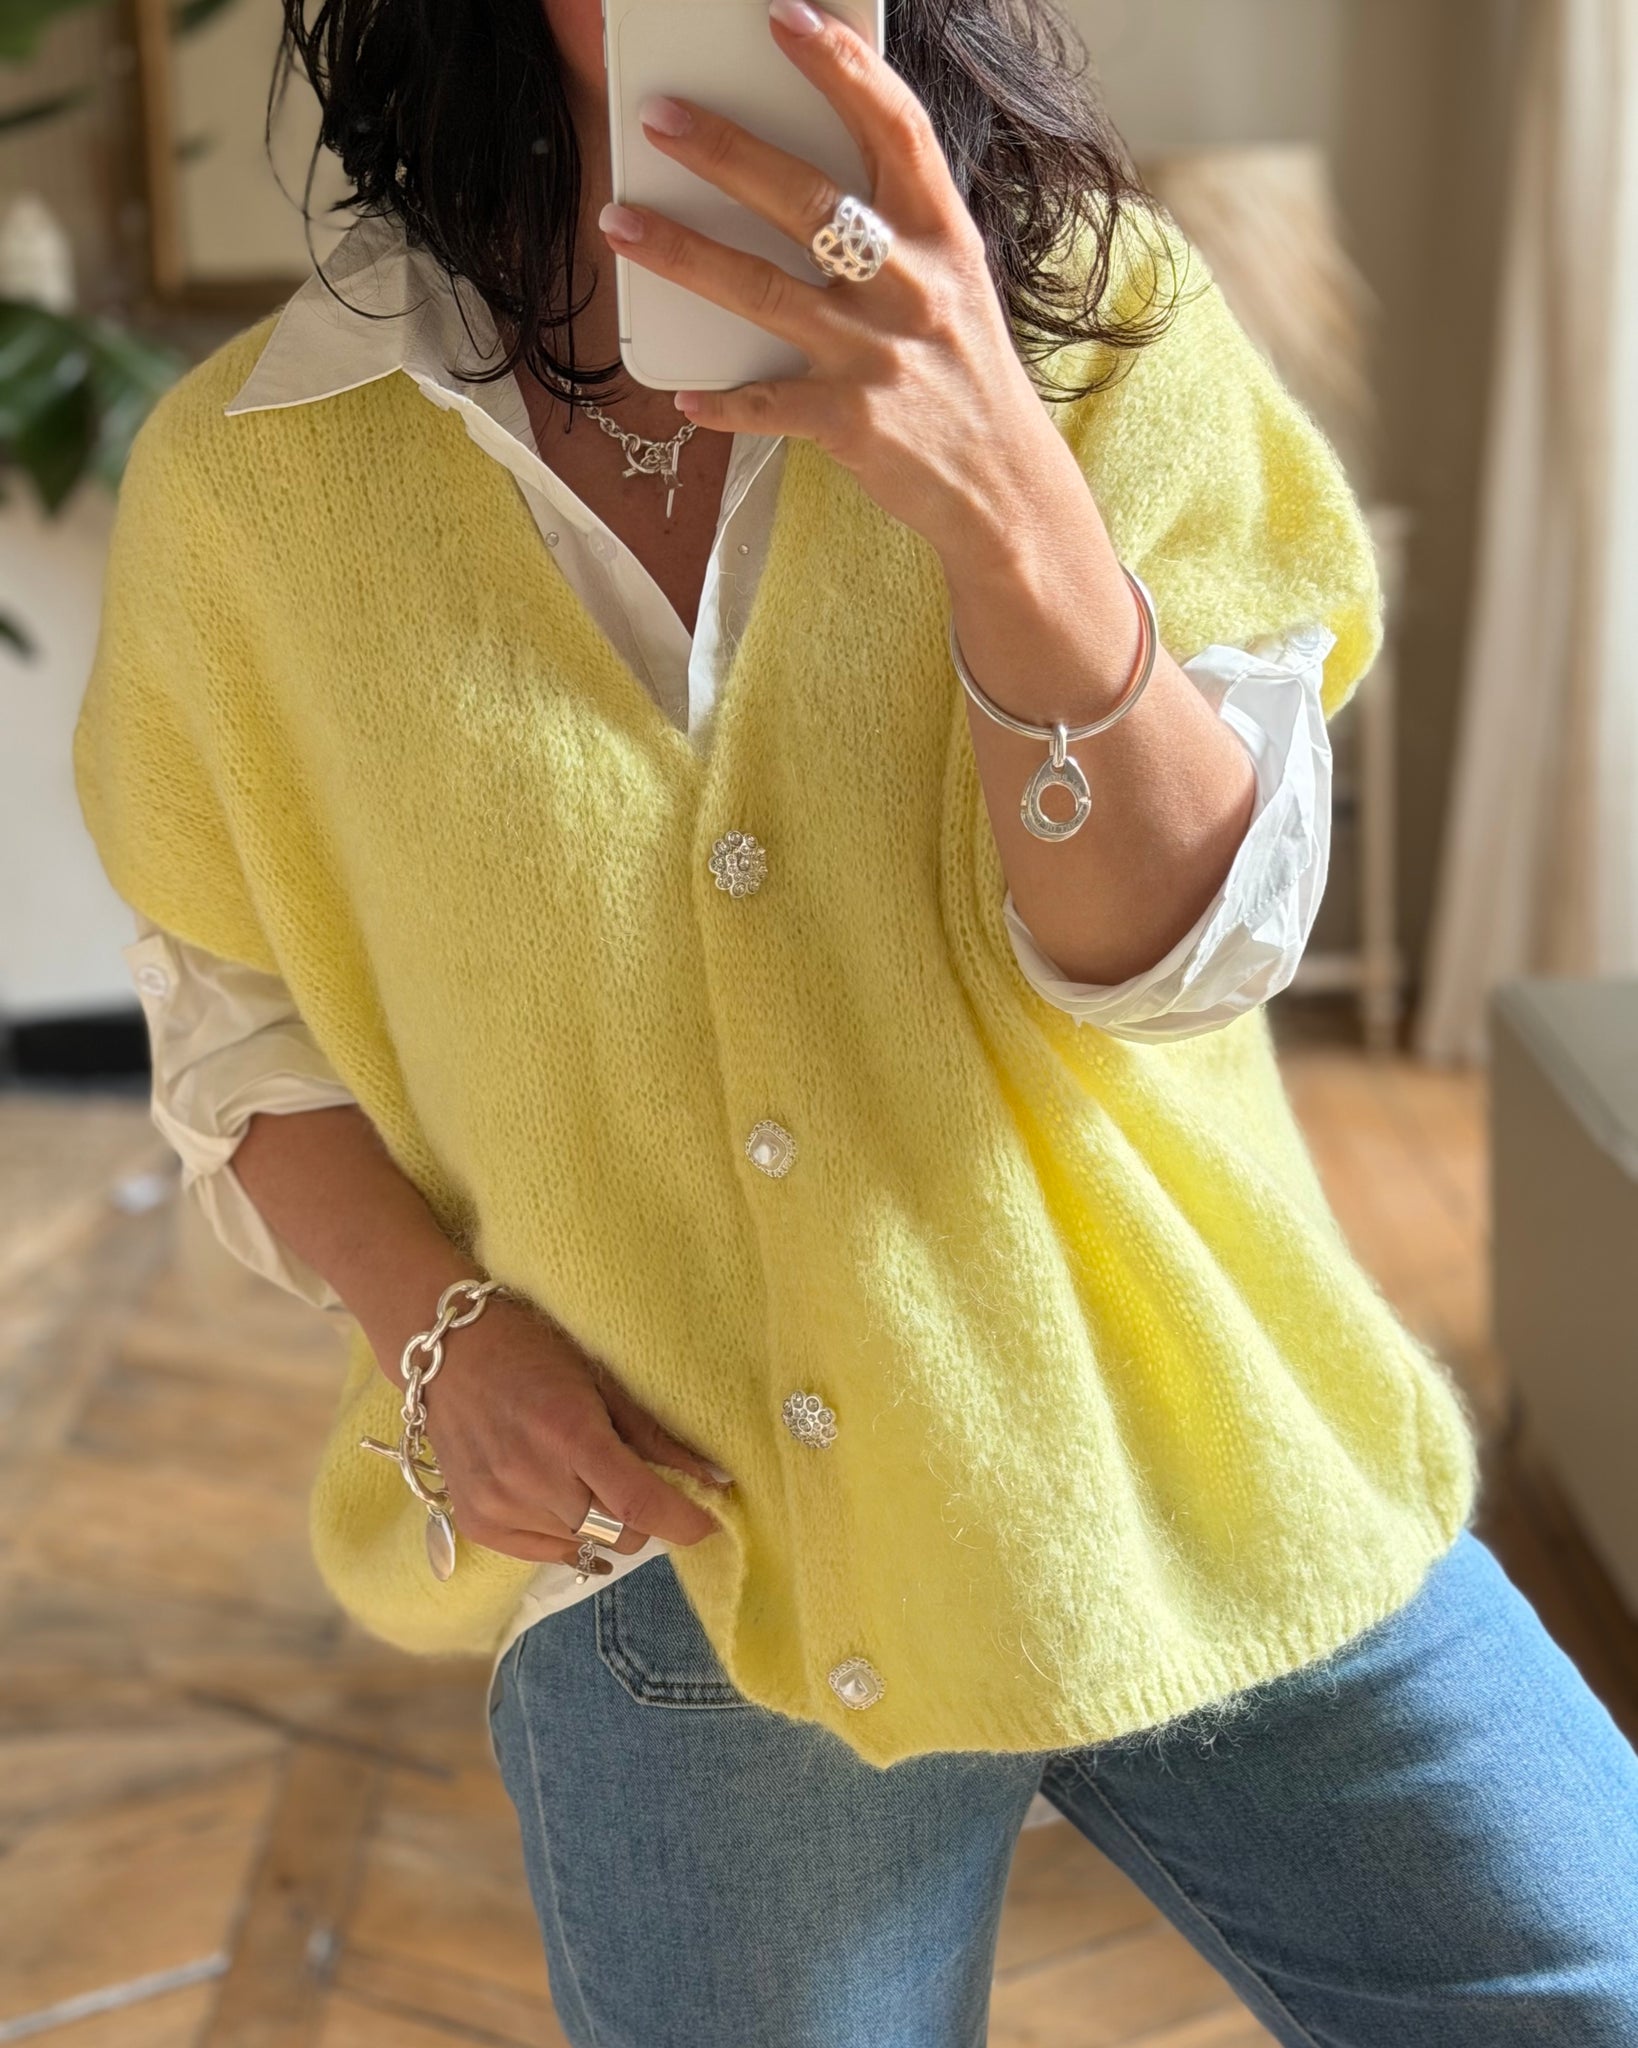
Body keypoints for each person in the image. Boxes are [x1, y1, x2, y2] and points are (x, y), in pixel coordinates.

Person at [73, 0, 1638, 2038]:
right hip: (689, 1558)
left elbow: (1187, 955)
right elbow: (234, 1008)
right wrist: (437, 1334)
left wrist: (1009, 505)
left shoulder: (1093, 326)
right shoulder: (255, 474)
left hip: (1198, 1441)